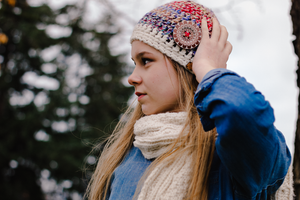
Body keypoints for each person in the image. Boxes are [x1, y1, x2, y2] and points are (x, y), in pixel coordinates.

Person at [85, 1, 293, 199]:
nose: (132, 77)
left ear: (187, 66)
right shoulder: (130, 153)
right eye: (134, 63)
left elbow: (243, 111)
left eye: (146, 61)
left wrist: (208, 69)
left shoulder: (233, 155)